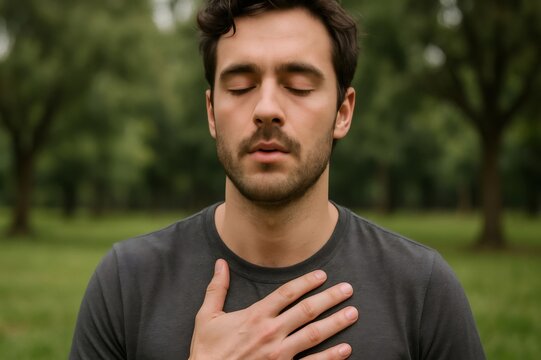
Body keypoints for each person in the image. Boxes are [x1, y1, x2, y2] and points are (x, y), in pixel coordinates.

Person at [70, 0, 486, 359]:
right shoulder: (126, 284)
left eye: (299, 86)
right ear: (212, 113)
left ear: (343, 111)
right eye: (241, 86)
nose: (267, 108)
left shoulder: (423, 290)